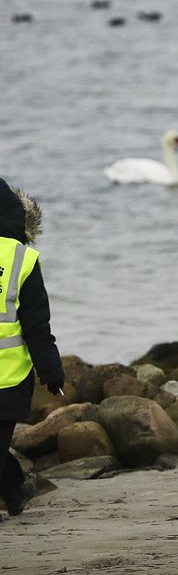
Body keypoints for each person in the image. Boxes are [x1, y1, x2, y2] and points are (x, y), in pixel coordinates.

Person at [0, 178, 64, 520]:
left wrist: (50, 369)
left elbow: (36, 325)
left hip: (8, 377)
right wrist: (51, 370)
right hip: (10, 378)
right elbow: (37, 325)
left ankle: (14, 489)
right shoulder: (22, 258)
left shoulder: (20, 259)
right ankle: (15, 490)